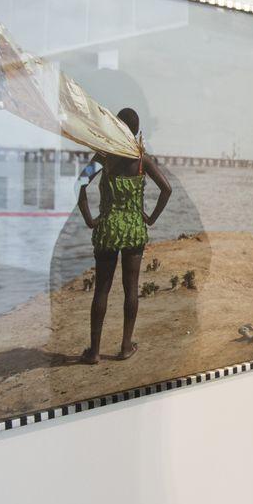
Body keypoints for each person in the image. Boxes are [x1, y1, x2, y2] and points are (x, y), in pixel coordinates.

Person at [77, 107, 172, 364]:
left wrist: (89, 219)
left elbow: (79, 185)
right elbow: (166, 189)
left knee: (102, 290)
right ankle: (125, 347)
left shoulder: (104, 157)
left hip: (107, 229)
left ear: (115, 127)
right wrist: (150, 218)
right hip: (133, 229)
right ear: (137, 131)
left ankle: (94, 352)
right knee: (131, 289)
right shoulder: (142, 160)